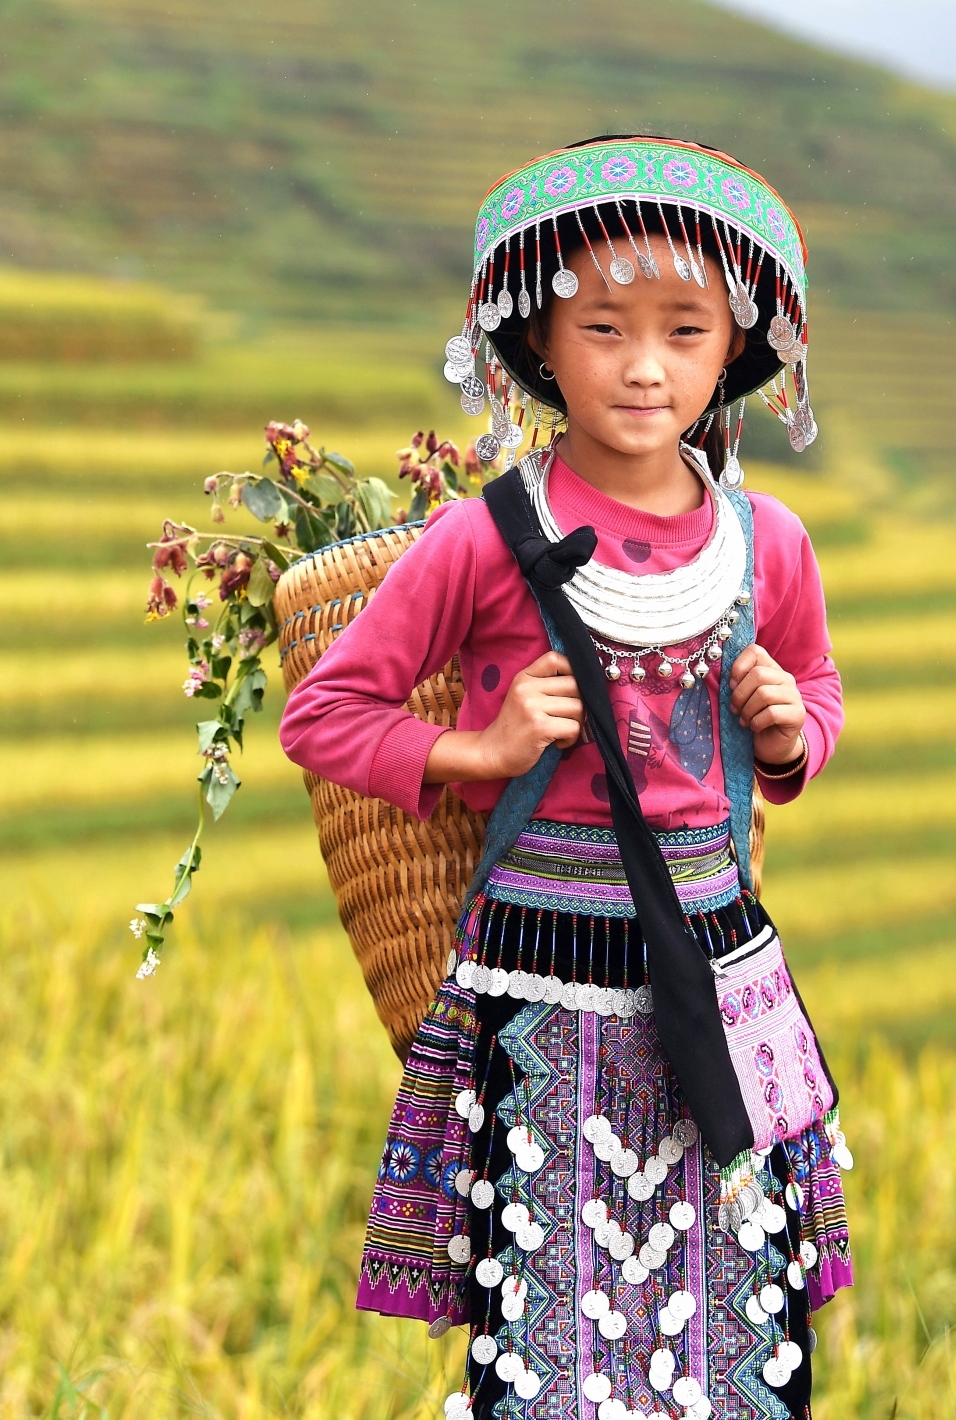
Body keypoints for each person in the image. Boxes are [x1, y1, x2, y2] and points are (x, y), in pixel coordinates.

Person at [280, 136, 853, 1420]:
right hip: (541, 974)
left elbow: (815, 698)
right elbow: (325, 713)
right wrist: (473, 753)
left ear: (732, 352)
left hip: (718, 965)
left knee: (738, 1344)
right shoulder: (482, 538)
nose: (644, 365)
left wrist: (784, 733)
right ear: (541, 340)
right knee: (546, 1358)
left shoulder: (775, 543)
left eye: (683, 329)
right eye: (603, 324)